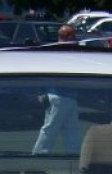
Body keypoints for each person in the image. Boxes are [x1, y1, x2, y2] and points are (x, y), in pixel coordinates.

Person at [32, 26, 81, 155]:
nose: (75, 39)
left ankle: (74, 155)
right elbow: (43, 73)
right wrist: (41, 91)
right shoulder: (57, 52)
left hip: (71, 96)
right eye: (73, 36)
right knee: (50, 128)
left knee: (72, 130)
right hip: (57, 95)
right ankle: (39, 155)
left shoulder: (69, 52)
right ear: (68, 37)